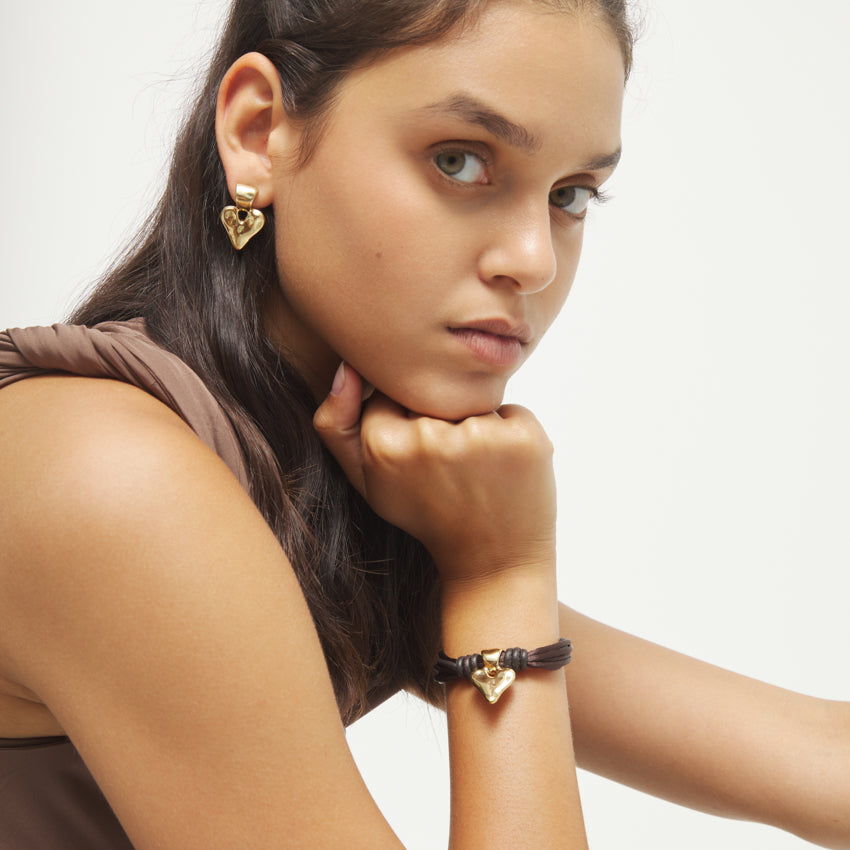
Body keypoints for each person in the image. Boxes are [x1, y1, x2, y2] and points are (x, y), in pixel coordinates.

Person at [0, 1, 847, 848]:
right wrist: (500, 581)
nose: (533, 260)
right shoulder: (110, 473)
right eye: (459, 161)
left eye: (570, 195)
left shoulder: (319, 467)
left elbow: (819, 760)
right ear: (260, 133)